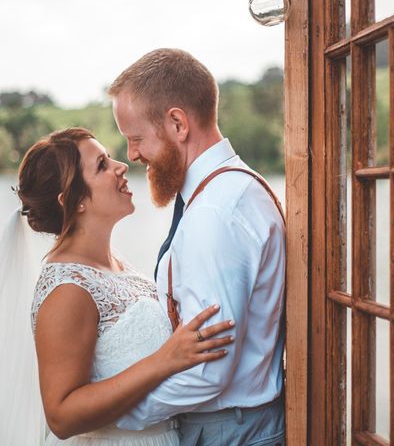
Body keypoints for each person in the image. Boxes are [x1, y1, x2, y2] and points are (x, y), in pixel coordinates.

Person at [0, 127, 235, 446]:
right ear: (73, 200)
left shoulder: (116, 265)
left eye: (109, 158)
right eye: (101, 165)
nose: (120, 166)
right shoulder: (68, 288)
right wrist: (164, 359)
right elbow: (61, 416)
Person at [109, 48, 286, 446]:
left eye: (136, 138)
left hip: (227, 432)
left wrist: (117, 415)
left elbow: (209, 371)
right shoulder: (229, 188)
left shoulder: (215, 214)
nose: (132, 155)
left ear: (177, 123)